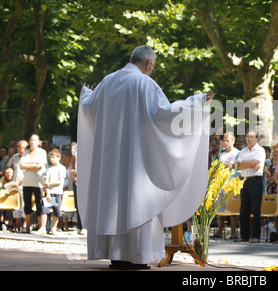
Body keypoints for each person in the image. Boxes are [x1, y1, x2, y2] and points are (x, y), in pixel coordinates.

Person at [77, 45, 213, 270]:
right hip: (135, 162)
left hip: (109, 163)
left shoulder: (107, 82)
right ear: (149, 64)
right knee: (136, 202)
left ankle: (116, 256)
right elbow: (165, 114)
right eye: (153, 67)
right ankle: (136, 257)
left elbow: (89, 109)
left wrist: (86, 94)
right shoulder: (144, 83)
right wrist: (196, 103)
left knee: (114, 204)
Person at [235, 130, 266, 243]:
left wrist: (244, 164)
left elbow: (255, 163)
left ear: (257, 138)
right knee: (244, 209)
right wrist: (250, 164)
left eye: (252, 137)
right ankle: (244, 235)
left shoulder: (260, 150)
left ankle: (256, 236)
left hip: (255, 180)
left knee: (255, 209)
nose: (249, 139)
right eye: (247, 137)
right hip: (245, 180)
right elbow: (237, 166)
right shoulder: (243, 150)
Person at [20, 134, 48, 234]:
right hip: (26, 182)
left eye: (35, 140)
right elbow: (22, 165)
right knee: (27, 205)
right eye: (31, 140)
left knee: (39, 204)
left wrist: (28, 166)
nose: (32, 142)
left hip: (38, 183)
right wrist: (34, 165)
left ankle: (42, 227)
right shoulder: (25, 153)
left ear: (38, 142)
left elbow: (40, 166)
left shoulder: (42, 152)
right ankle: (27, 227)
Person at [214, 132, 240, 239]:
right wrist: (223, 166)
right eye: (224, 140)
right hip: (220, 183)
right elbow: (215, 166)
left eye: (228, 140)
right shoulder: (220, 153)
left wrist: (223, 166)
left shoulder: (237, 153)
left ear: (233, 141)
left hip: (232, 183)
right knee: (220, 207)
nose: (225, 143)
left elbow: (232, 166)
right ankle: (219, 232)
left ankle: (233, 233)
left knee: (232, 208)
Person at [40, 149, 66, 235]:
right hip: (49, 192)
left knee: (56, 211)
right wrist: (47, 192)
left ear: (58, 157)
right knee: (44, 210)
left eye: (53, 157)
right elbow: (45, 182)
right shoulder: (48, 169)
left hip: (57, 192)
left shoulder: (62, 168)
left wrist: (49, 184)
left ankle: (54, 228)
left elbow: (60, 181)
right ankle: (42, 227)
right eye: (51, 158)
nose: (52, 159)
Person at [6, 140, 27, 232]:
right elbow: (9, 166)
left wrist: (19, 182)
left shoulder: (28, 158)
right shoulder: (14, 157)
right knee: (15, 205)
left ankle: (26, 224)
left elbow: (27, 173)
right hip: (14, 184)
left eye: (22, 148)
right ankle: (17, 224)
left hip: (24, 184)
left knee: (24, 204)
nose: (20, 150)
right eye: (18, 148)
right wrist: (9, 173)